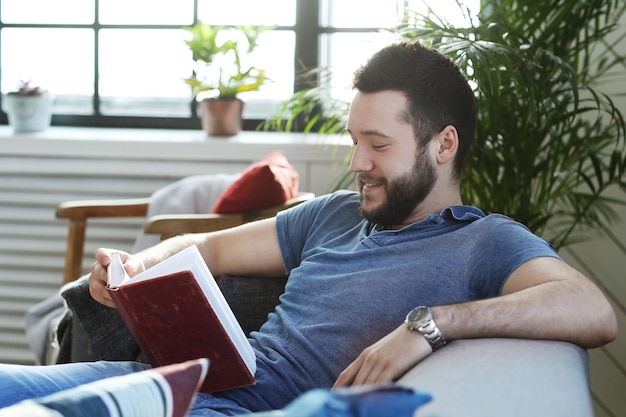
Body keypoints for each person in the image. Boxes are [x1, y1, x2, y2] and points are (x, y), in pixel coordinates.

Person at [0, 41, 617, 415]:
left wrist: (431, 325)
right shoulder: (335, 213)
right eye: (354, 140)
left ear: (443, 144)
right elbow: (209, 247)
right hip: (181, 383)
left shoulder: (484, 240)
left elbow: (592, 310)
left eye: (378, 144)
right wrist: (136, 267)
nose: (356, 163)